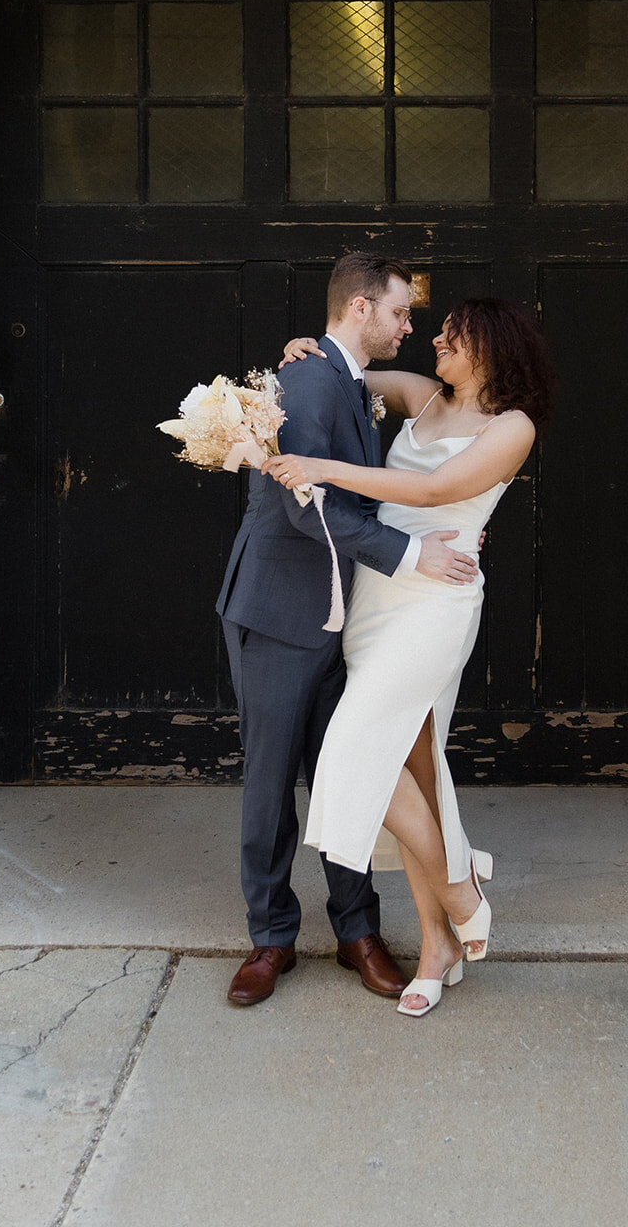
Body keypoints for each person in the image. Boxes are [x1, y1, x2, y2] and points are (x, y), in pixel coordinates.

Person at [265, 296, 556, 1016]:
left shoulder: (511, 427)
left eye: (450, 337)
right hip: (377, 599)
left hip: (435, 604)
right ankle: (439, 944)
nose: (432, 343)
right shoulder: (421, 396)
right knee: (416, 775)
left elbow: (432, 489)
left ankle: (459, 887)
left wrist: (320, 468)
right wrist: (310, 347)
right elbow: (343, 378)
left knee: (354, 747)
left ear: (487, 347)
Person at [216, 253, 481, 1007]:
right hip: (279, 611)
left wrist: (447, 530)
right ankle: (270, 941)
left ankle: (356, 931)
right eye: (399, 312)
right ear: (359, 309)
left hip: (349, 619)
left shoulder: (341, 378)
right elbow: (307, 501)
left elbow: (381, 489)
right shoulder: (306, 379)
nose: (409, 325)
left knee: (351, 772)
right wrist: (410, 555)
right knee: (270, 782)